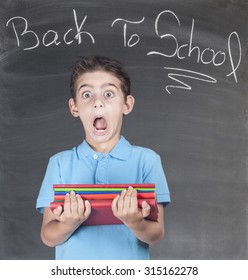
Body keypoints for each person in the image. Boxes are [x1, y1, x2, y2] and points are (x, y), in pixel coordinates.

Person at [36, 55, 170, 259]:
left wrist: (136, 222)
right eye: (87, 94)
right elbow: (48, 236)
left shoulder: (147, 160)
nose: (98, 103)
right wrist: (69, 223)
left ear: (127, 104)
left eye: (108, 94)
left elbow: (156, 234)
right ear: (74, 107)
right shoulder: (59, 163)